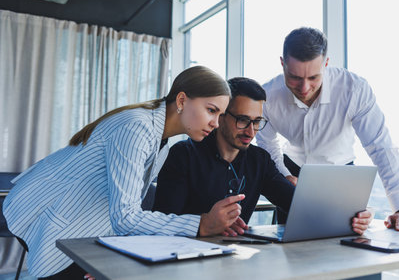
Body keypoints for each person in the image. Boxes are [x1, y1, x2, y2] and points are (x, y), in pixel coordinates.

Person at [2, 66, 244, 279]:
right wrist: (200, 224)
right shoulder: (136, 128)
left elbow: (118, 204)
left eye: (221, 115)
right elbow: (126, 216)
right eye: (211, 110)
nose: (216, 123)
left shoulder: (161, 142)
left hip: (80, 221)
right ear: (181, 100)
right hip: (44, 212)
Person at [152, 77, 372, 236]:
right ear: (221, 115)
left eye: (257, 122)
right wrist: (205, 223)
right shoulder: (183, 155)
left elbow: (298, 205)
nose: (251, 131)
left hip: (233, 263)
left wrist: (352, 216)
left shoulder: (259, 160)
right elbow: (163, 221)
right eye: (242, 120)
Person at [256, 27, 399, 232]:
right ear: (283, 64)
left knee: (346, 246)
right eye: (295, 77)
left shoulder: (354, 89)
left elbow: (380, 146)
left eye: (313, 77)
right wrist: (284, 176)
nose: (304, 88)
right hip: (292, 172)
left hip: (342, 173)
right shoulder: (267, 96)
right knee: (290, 247)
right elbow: (268, 145)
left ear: (326, 64)